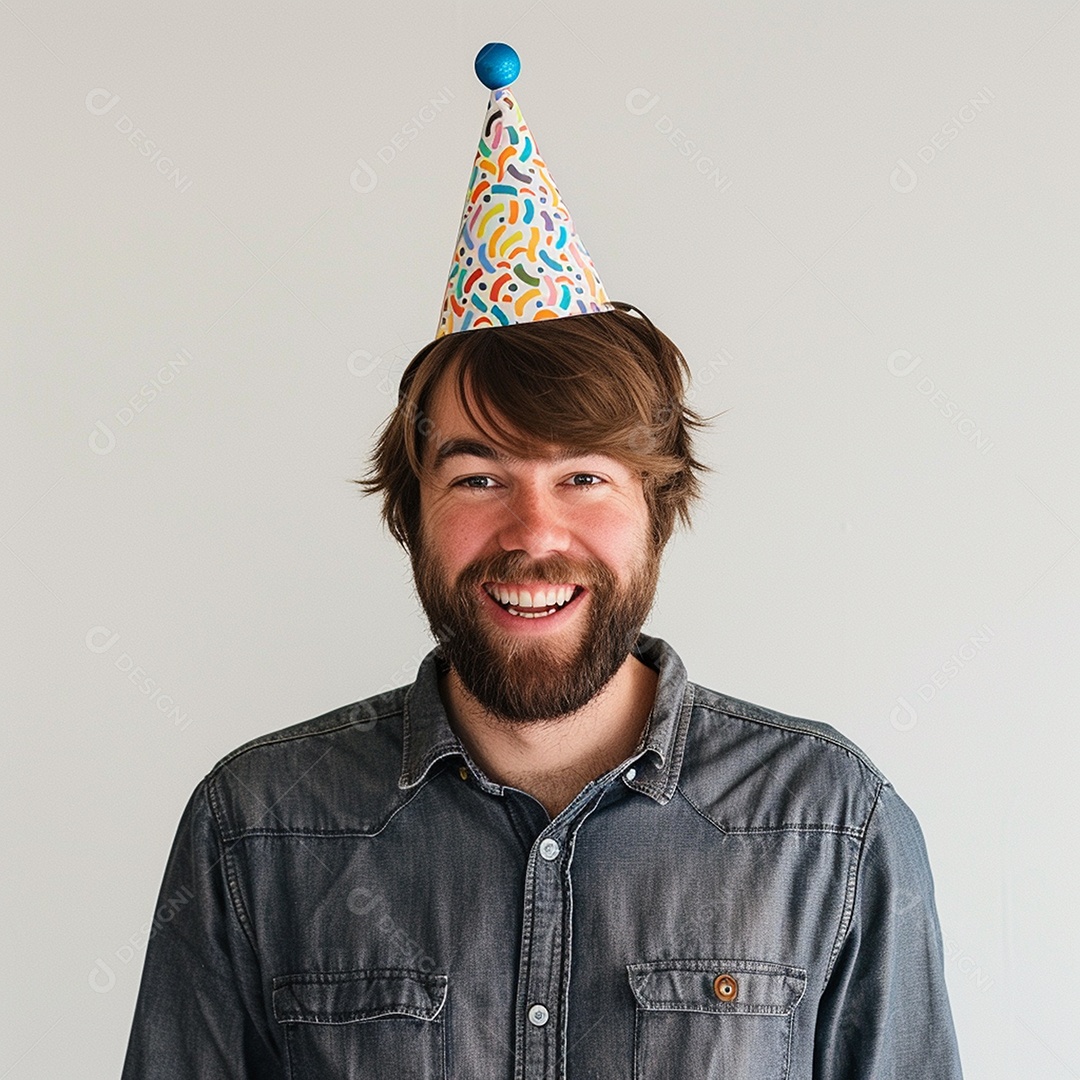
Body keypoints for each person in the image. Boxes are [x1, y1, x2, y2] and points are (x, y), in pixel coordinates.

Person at [121, 43, 963, 1079]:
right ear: (413, 509)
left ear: (657, 506)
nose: (532, 532)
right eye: (478, 478)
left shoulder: (833, 829)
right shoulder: (256, 832)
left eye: (584, 478)